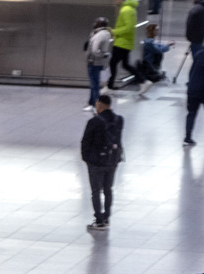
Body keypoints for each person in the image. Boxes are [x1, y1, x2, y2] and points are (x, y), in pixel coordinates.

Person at [81, 94, 124, 231]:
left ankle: (98, 220)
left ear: (99, 104)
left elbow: (85, 141)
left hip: (96, 162)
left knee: (96, 191)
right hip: (112, 160)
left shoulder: (94, 121)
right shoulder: (119, 120)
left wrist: (86, 158)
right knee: (108, 190)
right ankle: (106, 218)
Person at [109, 0, 140, 89]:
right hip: (125, 42)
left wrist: (114, 32)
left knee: (113, 63)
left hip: (122, 42)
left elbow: (128, 27)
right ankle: (142, 80)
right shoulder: (129, 8)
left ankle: (109, 86)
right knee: (125, 64)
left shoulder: (126, 10)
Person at [86, 17, 113, 109]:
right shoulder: (106, 33)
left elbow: (95, 50)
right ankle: (91, 102)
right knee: (94, 83)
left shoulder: (100, 35)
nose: (94, 23)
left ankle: (97, 104)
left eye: (96, 22)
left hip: (94, 62)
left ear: (100, 24)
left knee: (94, 84)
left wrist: (102, 55)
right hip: (99, 62)